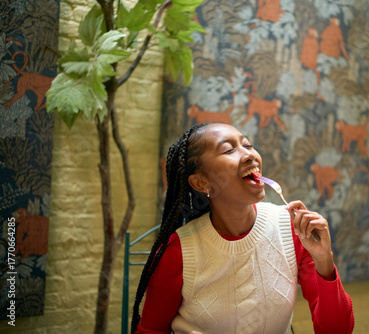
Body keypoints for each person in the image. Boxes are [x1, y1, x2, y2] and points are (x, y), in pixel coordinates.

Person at [131, 122, 355, 334]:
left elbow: (337, 330)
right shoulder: (177, 251)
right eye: (228, 150)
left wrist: (324, 260)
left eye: (247, 145)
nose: (250, 155)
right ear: (201, 182)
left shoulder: (292, 230)